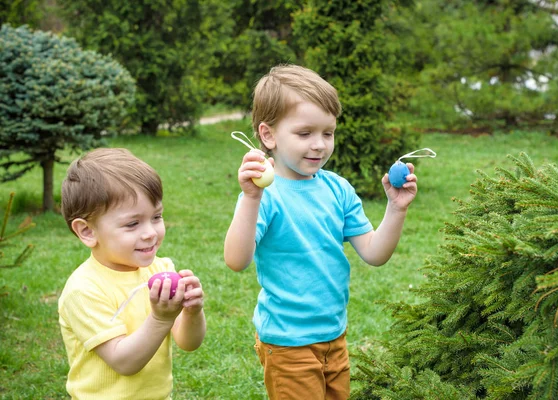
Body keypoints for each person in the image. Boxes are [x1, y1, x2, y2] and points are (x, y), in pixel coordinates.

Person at [223, 64, 418, 400]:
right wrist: (251, 198)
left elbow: (374, 253)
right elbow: (236, 260)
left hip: (333, 336)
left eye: (327, 133)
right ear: (268, 135)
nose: (319, 145)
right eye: (304, 133)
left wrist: (396, 208)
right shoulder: (264, 196)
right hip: (286, 342)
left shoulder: (338, 189)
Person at [58, 148, 206, 400]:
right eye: (132, 223)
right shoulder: (84, 290)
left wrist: (193, 312)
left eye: (156, 216)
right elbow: (124, 362)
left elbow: (188, 343)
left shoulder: (160, 268)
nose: (150, 232)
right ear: (87, 231)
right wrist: (161, 319)